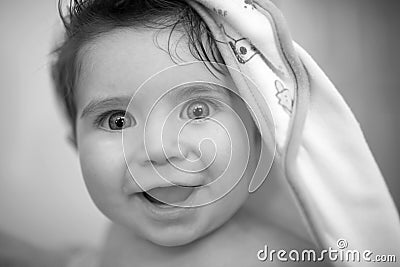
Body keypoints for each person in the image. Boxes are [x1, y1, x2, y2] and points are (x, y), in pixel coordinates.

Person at [51, 0, 400, 266]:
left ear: (259, 136)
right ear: (76, 145)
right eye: (118, 120)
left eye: (197, 111)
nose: (158, 150)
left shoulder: (278, 257)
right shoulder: (119, 239)